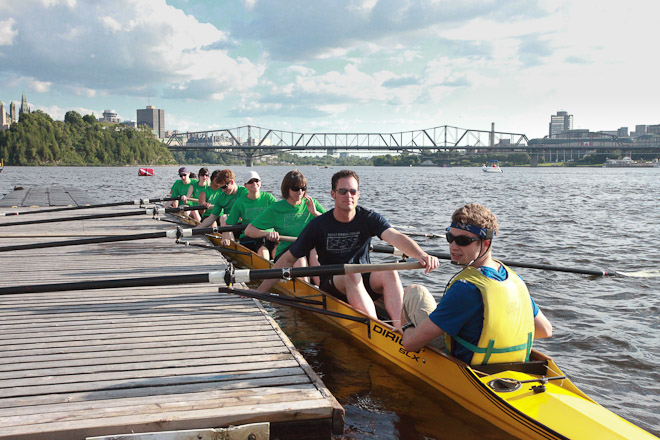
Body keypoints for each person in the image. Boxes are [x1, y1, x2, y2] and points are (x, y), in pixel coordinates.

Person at [255, 169, 439, 326]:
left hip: (362, 278)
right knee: (351, 273)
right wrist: (260, 291)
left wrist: (421, 254)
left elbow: (395, 237)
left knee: (390, 269)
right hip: (333, 283)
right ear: (333, 194)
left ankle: (400, 326)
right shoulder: (319, 225)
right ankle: (377, 329)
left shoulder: (368, 218)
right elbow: (288, 259)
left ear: (358, 194)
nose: (348, 196)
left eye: (352, 191)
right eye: (342, 191)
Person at [400, 203, 553, 366]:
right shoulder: (514, 280)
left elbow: (410, 345)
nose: (453, 247)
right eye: (450, 238)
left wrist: (407, 327)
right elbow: (544, 330)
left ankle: (396, 331)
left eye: (463, 241)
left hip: (465, 364)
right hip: (512, 363)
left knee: (414, 291)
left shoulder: (465, 288)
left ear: (485, 243)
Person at [245, 169, 325, 265]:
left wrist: (315, 213)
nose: (300, 192)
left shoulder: (311, 203)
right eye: (295, 188)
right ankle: (305, 280)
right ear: (287, 188)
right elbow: (249, 230)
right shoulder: (276, 208)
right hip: (287, 250)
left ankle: (323, 279)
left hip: (309, 247)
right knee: (300, 259)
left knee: (316, 255)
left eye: (303, 188)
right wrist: (266, 234)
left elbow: (331, 223)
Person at [223, 170, 278, 258]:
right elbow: (228, 224)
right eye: (250, 182)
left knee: (278, 246)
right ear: (245, 186)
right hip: (249, 235)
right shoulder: (240, 202)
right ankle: (266, 268)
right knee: (262, 244)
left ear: (260, 182)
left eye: (256, 181)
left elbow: (280, 216)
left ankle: (278, 266)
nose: (254, 183)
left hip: (270, 235)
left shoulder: (269, 198)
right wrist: (225, 237)